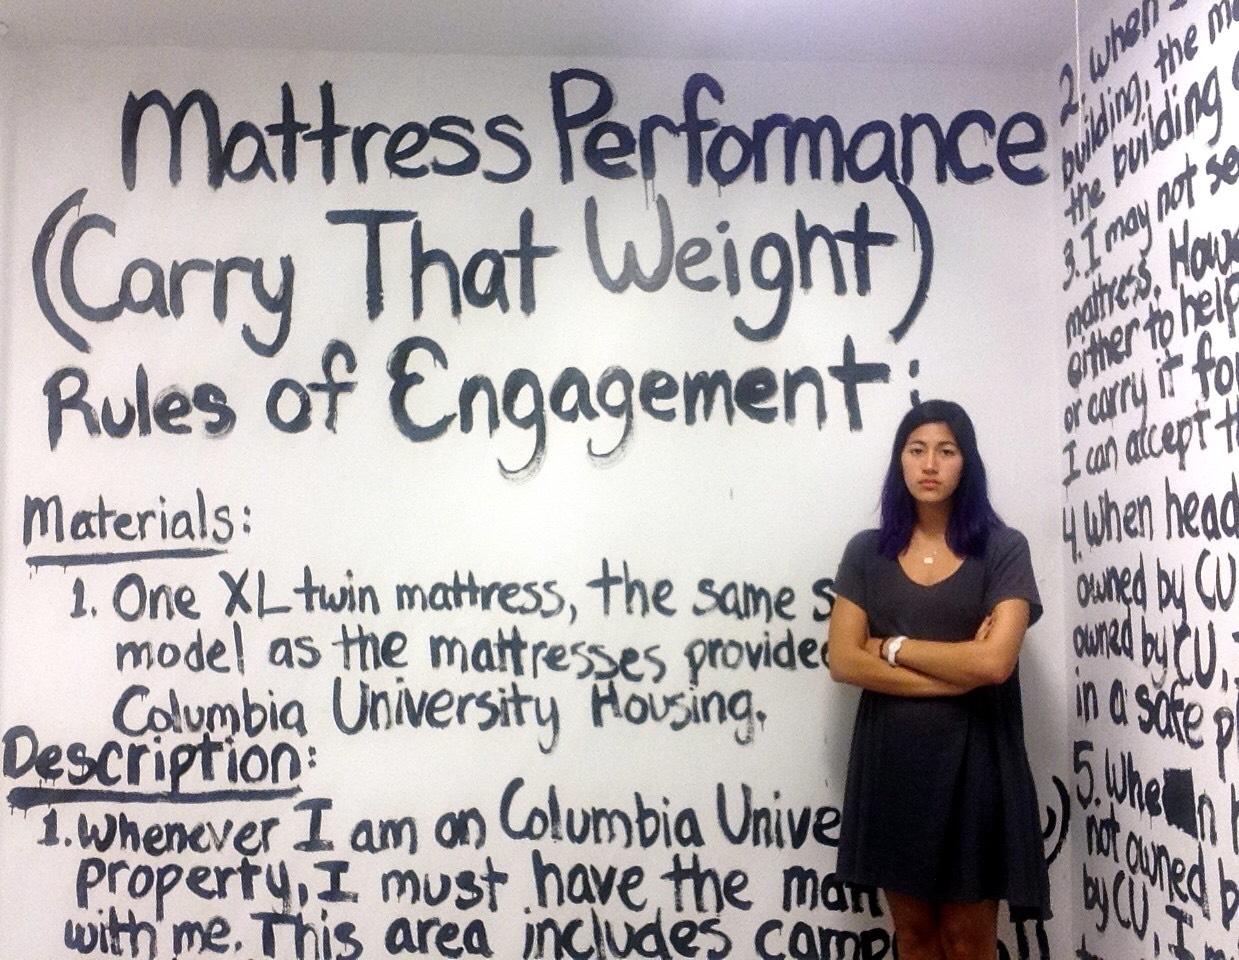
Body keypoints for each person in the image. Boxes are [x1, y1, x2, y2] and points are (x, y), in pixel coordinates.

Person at [827, 399, 1050, 960]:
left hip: (978, 765)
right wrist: (957, 674)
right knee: (916, 938)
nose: (930, 464)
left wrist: (893, 647)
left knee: (968, 942)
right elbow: (844, 661)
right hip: (892, 766)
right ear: (899, 460)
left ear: (966, 462)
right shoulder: (866, 552)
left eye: (946, 451)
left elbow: (994, 664)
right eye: (917, 450)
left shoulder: (1004, 548)